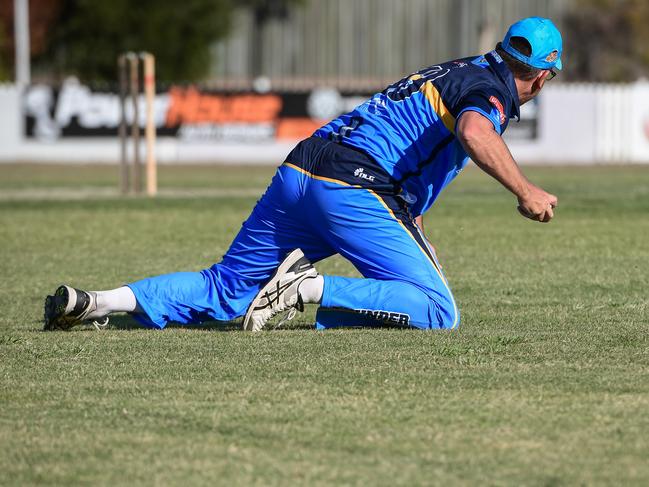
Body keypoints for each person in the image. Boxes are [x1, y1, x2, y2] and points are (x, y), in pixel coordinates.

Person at [44, 17, 561, 332]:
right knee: (437, 310)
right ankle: (308, 288)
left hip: (304, 168)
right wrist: (525, 189)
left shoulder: (457, 69)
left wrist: (411, 220)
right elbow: (474, 131)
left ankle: (96, 302)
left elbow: (413, 140)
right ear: (541, 76)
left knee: (225, 288)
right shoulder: (486, 91)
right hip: (354, 187)